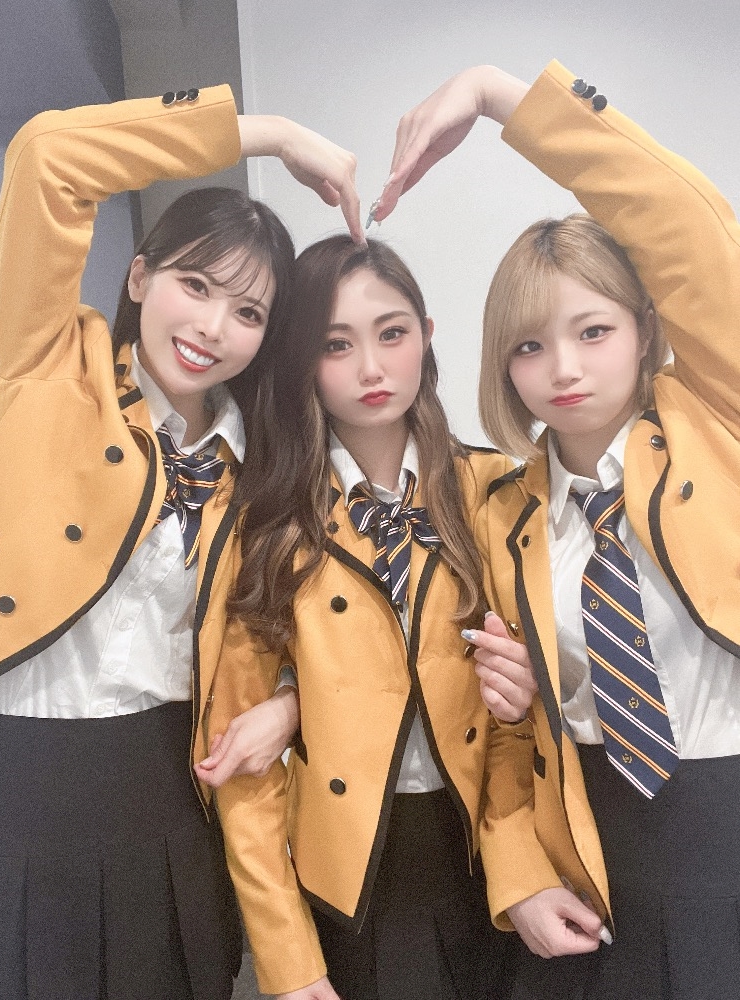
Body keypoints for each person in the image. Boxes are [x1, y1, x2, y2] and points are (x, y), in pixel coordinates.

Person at [377, 58, 740, 1000]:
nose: (563, 368)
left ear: (646, 328)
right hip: (587, 847)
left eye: (593, 331)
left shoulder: (719, 426)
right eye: (529, 346)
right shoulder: (501, 514)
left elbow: (685, 223)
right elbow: (497, 729)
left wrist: (497, 94)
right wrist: (518, 876)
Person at [0, 81, 362, 1000]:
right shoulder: (45, 368)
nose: (211, 328)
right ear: (138, 277)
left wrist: (292, 706)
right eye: (195, 285)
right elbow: (48, 155)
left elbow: (286, 671)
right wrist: (269, 133)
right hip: (12, 792)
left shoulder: (264, 475)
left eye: (248, 312)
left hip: (169, 813)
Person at [203, 234, 537, 1000]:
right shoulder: (267, 523)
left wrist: (534, 684)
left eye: (391, 333)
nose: (371, 369)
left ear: (427, 334)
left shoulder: (496, 492)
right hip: (353, 880)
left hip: (500, 851)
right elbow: (240, 769)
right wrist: (288, 962)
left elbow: (538, 696)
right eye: (336, 345)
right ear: (301, 361)